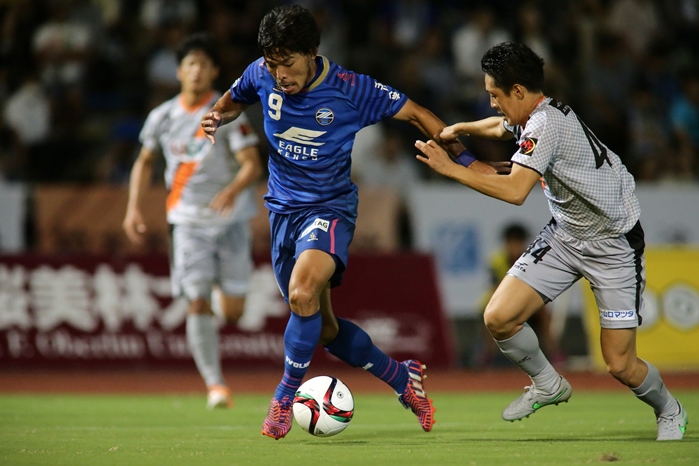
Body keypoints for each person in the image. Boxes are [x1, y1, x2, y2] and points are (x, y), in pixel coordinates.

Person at [200, 4, 502, 440]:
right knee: (323, 328)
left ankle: (283, 398)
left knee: (302, 292)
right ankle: (402, 377)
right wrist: (216, 114)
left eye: (288, 64)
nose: (280, 74)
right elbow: (232, 101)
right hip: (282, 211)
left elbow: (418, 114)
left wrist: (471, 162)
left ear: (312, 52)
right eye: (272, 64)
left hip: (329, 209)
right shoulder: (260, 73)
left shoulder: (350, 88)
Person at [415, 41, 687, 441]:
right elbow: (500, 127)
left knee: (620, 364)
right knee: (499, 317)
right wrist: (461, 128)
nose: (492, 103)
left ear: (518, 90)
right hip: (565, 235)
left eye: (495, 95)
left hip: (613, 245)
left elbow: (515, 191)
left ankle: (670, 409)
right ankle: (547, 383)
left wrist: (450, 169)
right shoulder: (535, 114)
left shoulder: (545, 124)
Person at [123, 32, 263, 410]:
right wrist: (133, 208)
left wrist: (233, 190)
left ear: (215, 71)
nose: (197, 70)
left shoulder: (227, 114)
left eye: (204, 64)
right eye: (190, 64)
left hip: (231, 221)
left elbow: (252, 165)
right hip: (186, 222)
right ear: (179, 71)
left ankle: (217, 295)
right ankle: (216, 385)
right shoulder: (162, 117)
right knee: (196, 299)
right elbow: (145, 162)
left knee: (233, 312)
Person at [476, 223, 564, 368]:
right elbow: (494, 289)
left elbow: (537, 289)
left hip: (525, 304)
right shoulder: (497, 260)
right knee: (490, 313)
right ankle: (486, 355)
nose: (514, 247)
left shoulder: (533, 258)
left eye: (517, 242)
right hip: (501, 302)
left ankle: (555, 352)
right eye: (511, 242)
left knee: (543, 312)